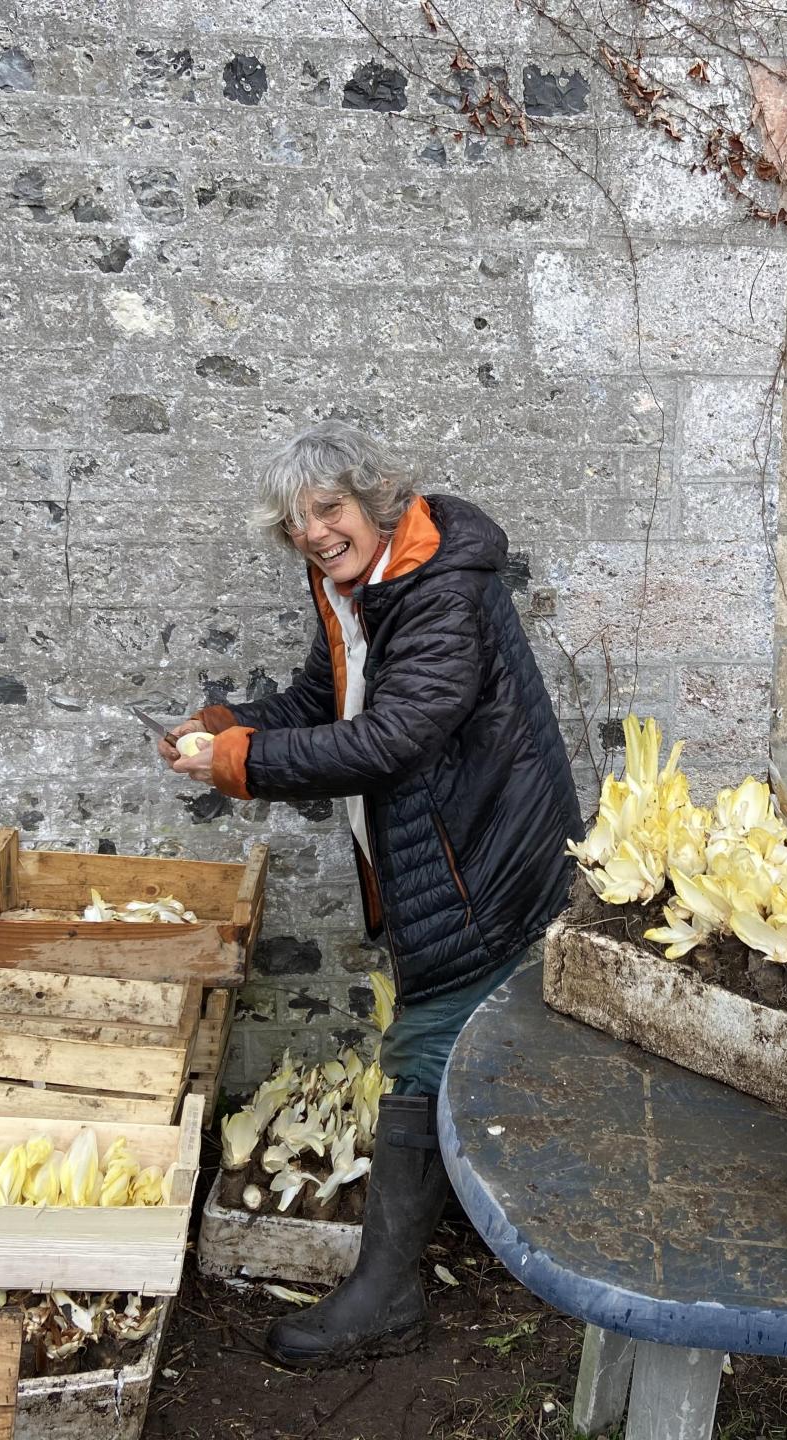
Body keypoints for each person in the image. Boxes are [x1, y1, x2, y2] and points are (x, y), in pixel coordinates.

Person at [158, 420, 582, 1366]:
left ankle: (391, 1294)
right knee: (482, 1039)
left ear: (375, 501)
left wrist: (237, 764)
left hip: (484, 858)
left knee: (428, 1045)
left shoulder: (439, 592)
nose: (313, 532)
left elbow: (394, 737)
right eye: (298, 520)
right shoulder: (354, 586)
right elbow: (325, 702)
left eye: (329, 509)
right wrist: (227, 723)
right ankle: (527, 1234)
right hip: (443, 854)